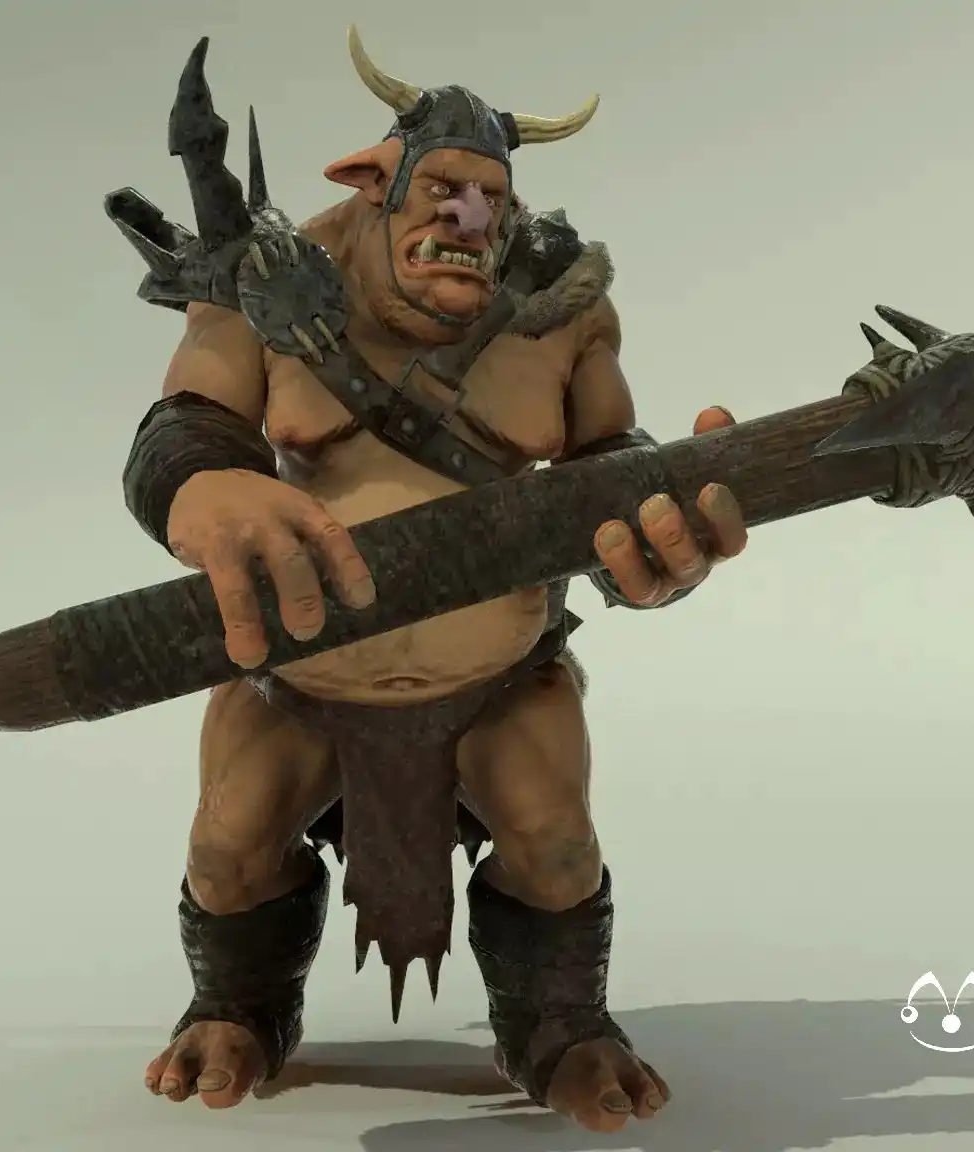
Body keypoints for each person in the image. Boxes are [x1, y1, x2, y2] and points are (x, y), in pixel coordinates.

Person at [107, 28, 748, 1135]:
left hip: (502, 676)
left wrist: (660, 540)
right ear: (371, 180)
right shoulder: (266, 284)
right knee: (225, 846)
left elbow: (609, 463)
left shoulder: (560, 310)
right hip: (297, 678)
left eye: (490, 199)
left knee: (555, 843)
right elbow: (186, 422)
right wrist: (203, 487)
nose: (468, 220)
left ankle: (561, 1029)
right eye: (443, 190)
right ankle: (236, 1008)